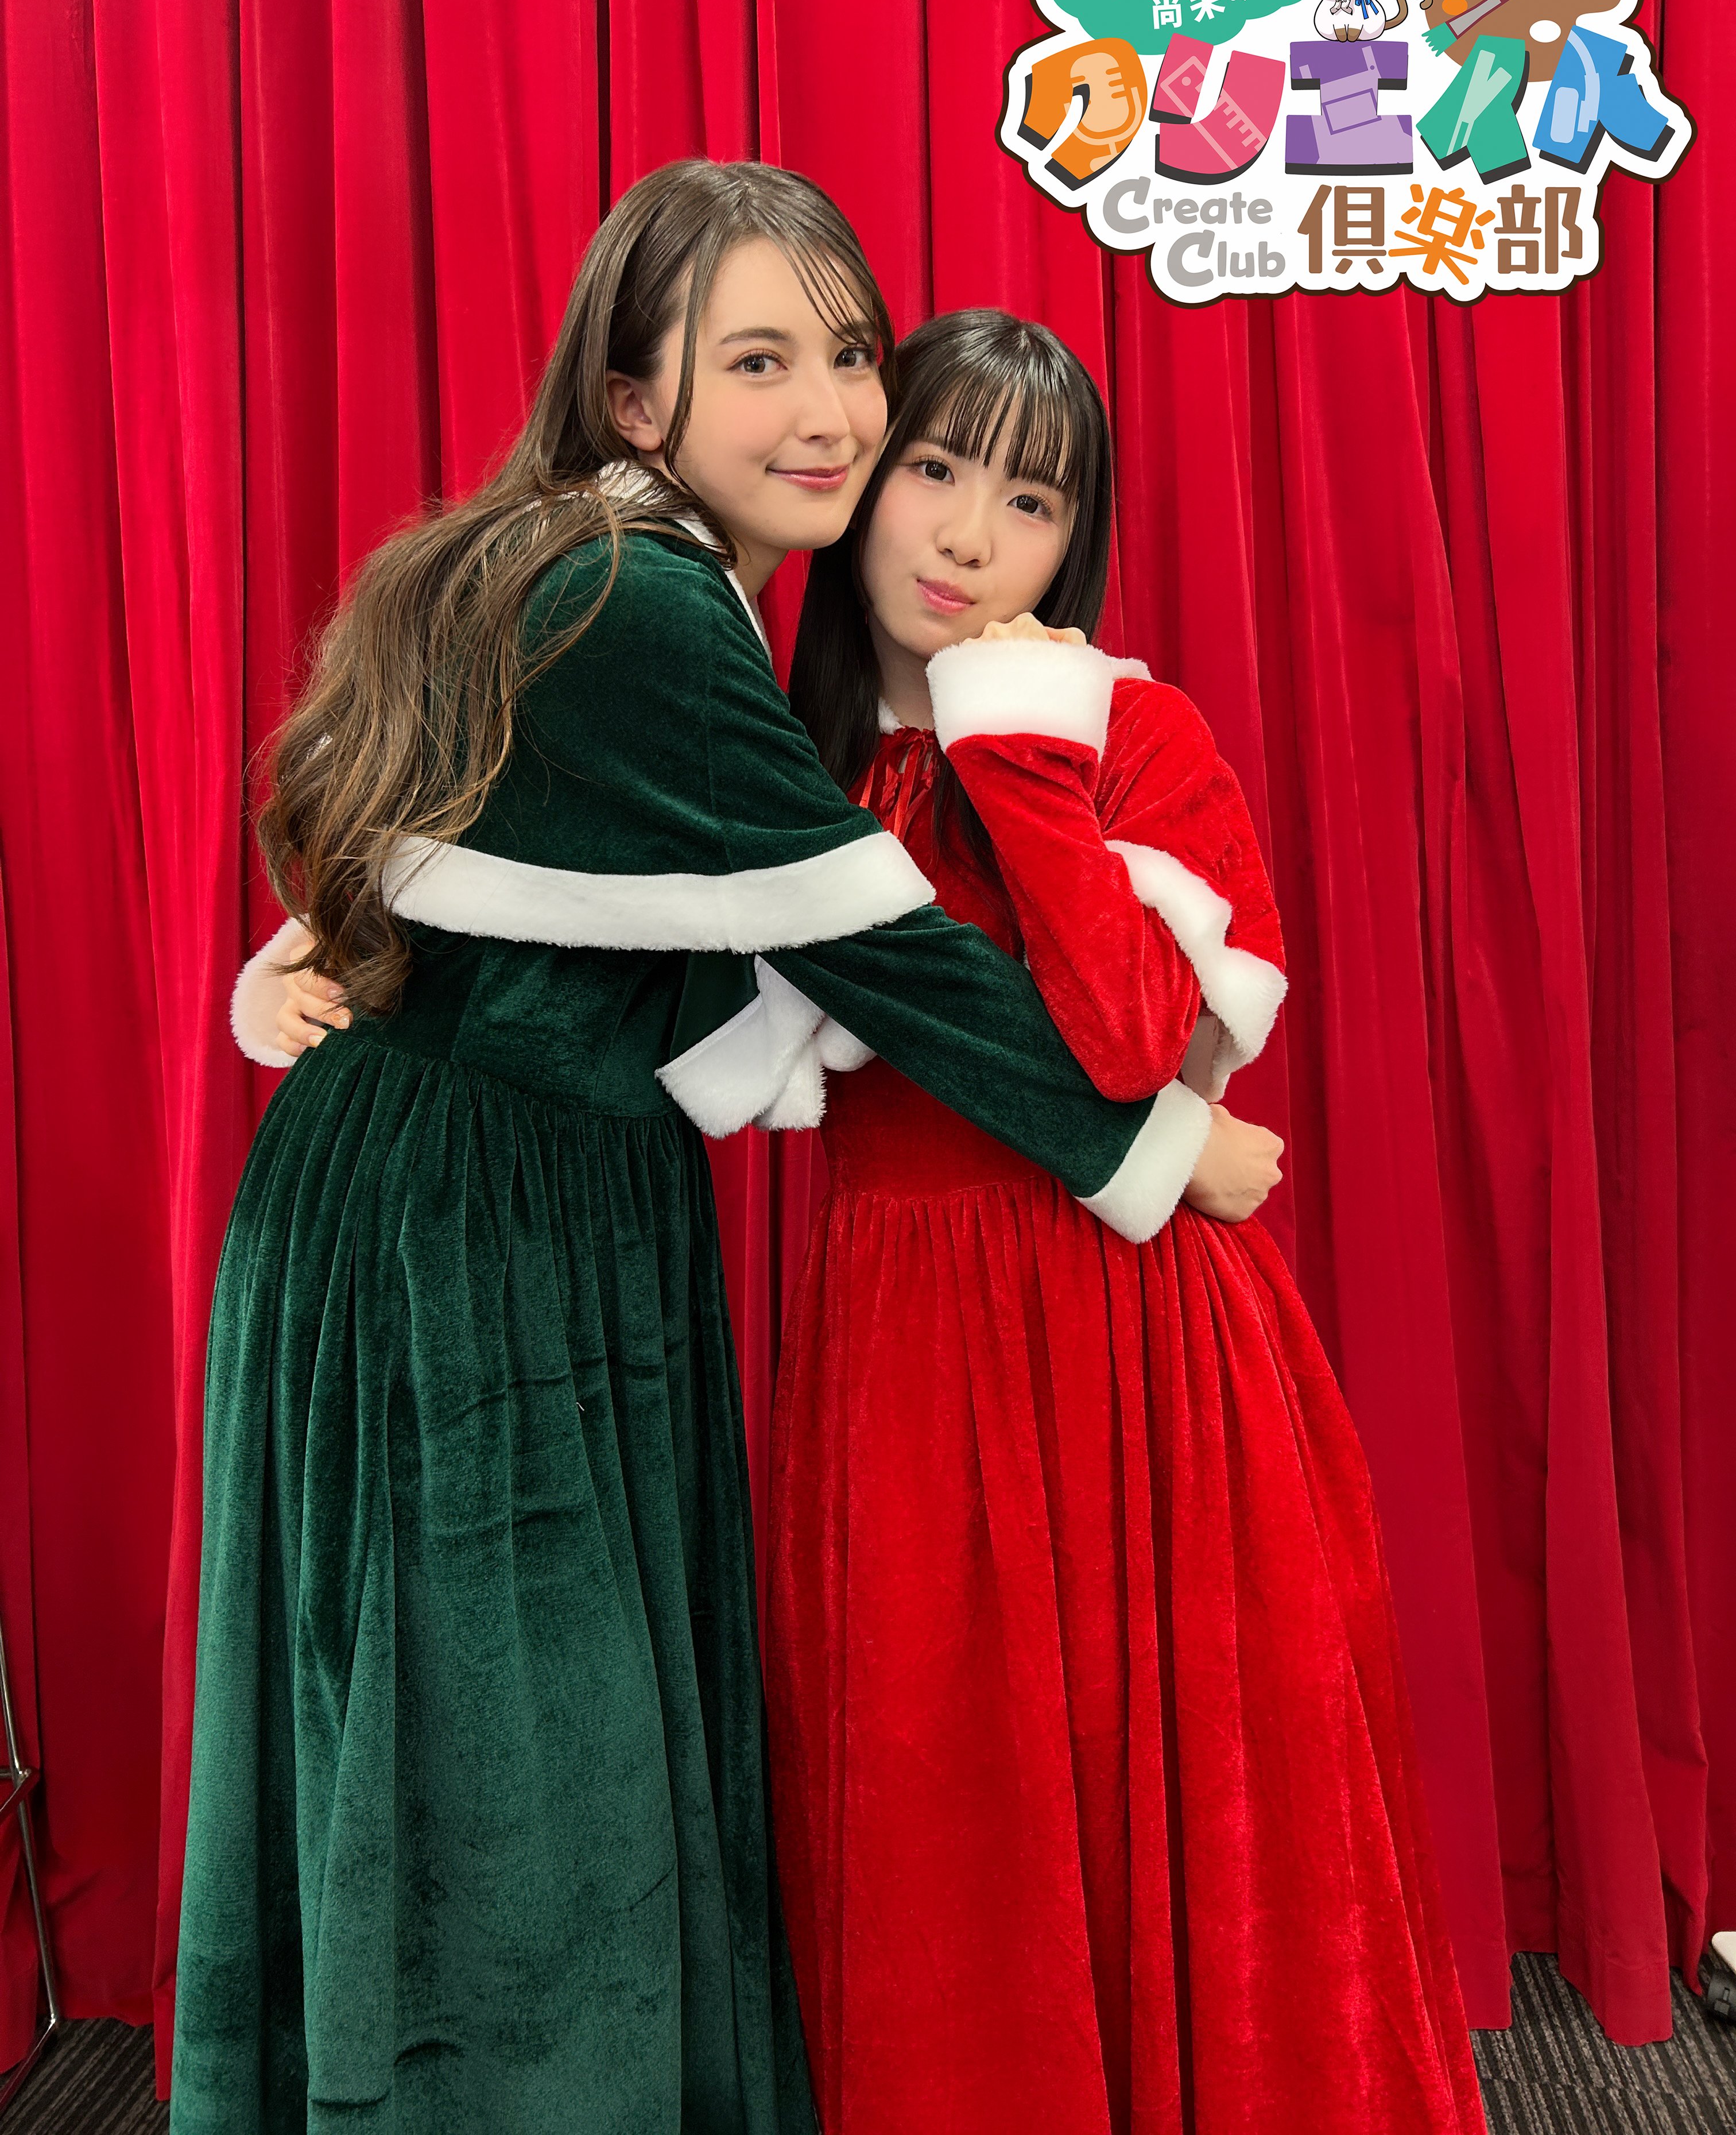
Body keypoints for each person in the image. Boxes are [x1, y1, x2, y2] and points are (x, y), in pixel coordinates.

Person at [179, 163, 1261, 2135]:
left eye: (849, 355)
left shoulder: (592, 568)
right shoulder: (641, 597)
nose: (831, 413)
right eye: (758, 362)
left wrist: (331, 955)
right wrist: (1161, 1147)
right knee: (519, 1808)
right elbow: (886, 958)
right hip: (470, 1233)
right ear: (633, 395)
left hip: (482, 1200)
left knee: (487, 1773)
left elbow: (409, 820)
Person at [765, 309, 1486, 2134]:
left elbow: (1135, 1036)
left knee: (1199, 1804)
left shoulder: (1130, 732)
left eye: (1029, 502)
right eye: (936, 471)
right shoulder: (791, 761)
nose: (967, 536)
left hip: (1140, 1330)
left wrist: (1018, 757)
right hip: (904, 1341)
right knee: (953, 1817)